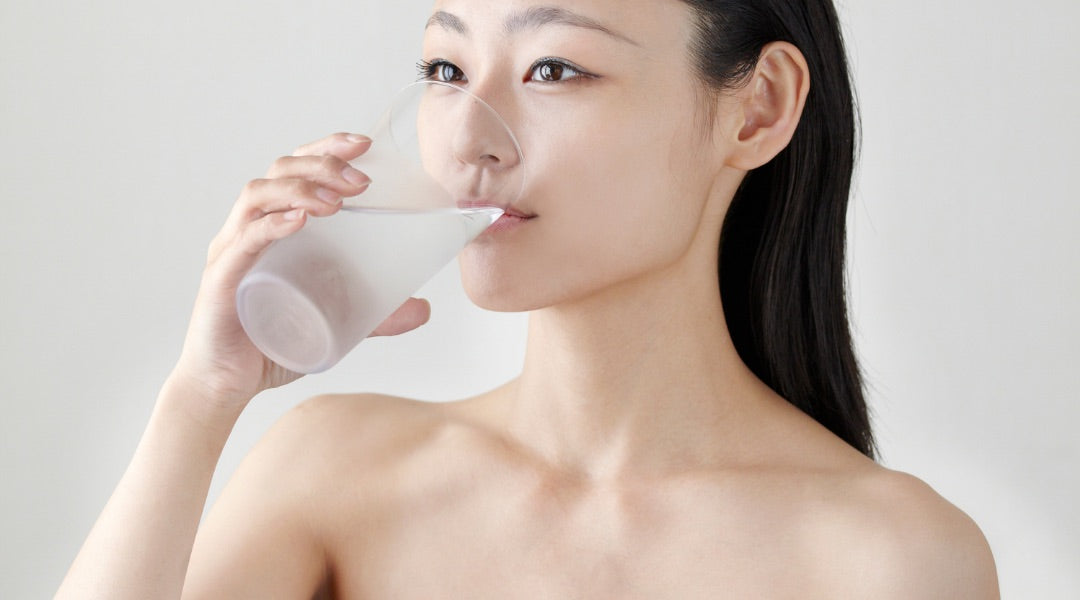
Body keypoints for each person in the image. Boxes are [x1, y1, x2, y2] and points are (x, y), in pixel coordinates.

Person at [57, 1, 999, 597]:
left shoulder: (888, 561)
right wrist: (200, 397)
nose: (471, 137)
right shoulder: (334, 471)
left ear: (755, 110)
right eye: (445, 69)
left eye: (555, 69)